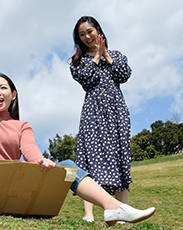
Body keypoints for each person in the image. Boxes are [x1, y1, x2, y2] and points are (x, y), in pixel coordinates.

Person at [0, 41, 155, 227]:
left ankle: (112, 206)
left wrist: (41, 161)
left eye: (3, 88)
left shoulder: (22, 126)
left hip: (11, 193)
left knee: (68, 165)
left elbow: (31, 152)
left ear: (13, 94)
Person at [69, 16, 133, 223]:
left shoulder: (116, 55)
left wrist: (105, 54)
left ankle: (121, 212)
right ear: (78, 39)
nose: (87, 36)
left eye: (90, 31)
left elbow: (124, 74)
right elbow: (87, 80)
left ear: (99, 31)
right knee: (91, 161)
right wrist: (96, 57)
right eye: (82, 34)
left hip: (116, 113)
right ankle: (89, 215)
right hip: (93, 113)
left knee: (120, 158)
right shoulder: (78, 62)